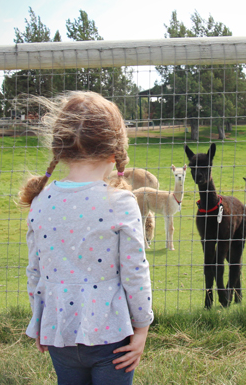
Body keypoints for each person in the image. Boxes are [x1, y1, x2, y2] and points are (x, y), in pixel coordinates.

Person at [19, 91, 153, 385]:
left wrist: (39, 318)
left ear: (61, 147)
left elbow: (35, 271)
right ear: (114, 149)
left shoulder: (42, 201)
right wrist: (142, 327)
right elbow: (135, 272)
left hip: (59, 333)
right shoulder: (121, 203)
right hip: (112, 336)